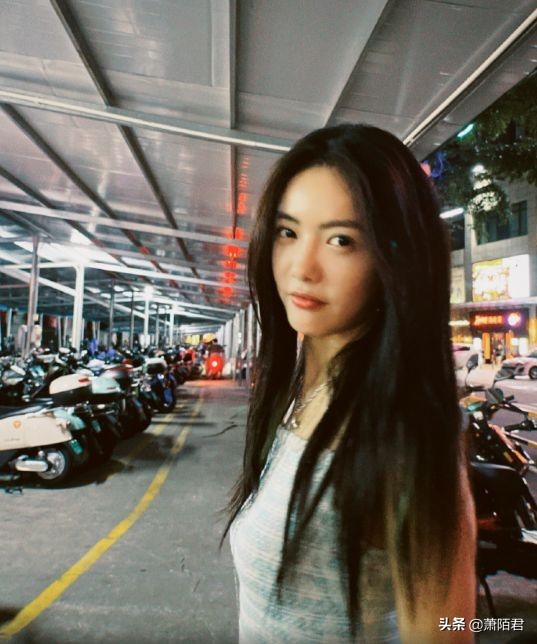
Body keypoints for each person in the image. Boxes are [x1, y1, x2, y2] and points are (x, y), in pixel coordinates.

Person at [221, 124, 476, 643]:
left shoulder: (400, 434)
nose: (302, 267)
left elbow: (449, 629)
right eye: (288, 232)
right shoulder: (296, 392)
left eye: (341, 240)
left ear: (394, 258)